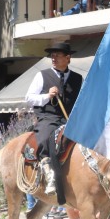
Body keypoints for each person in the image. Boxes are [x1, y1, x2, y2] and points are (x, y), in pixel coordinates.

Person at [25, 42, 83, 204]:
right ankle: (48, 171)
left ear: (68, 58)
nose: (54, 58)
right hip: (48, 117)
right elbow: (29, 98)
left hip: (69, 119)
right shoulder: (42, 75)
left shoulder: (77, 78)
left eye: (58, 55)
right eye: (52, 55)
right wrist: (47, 96)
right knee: (44, 137)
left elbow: (80, 101)